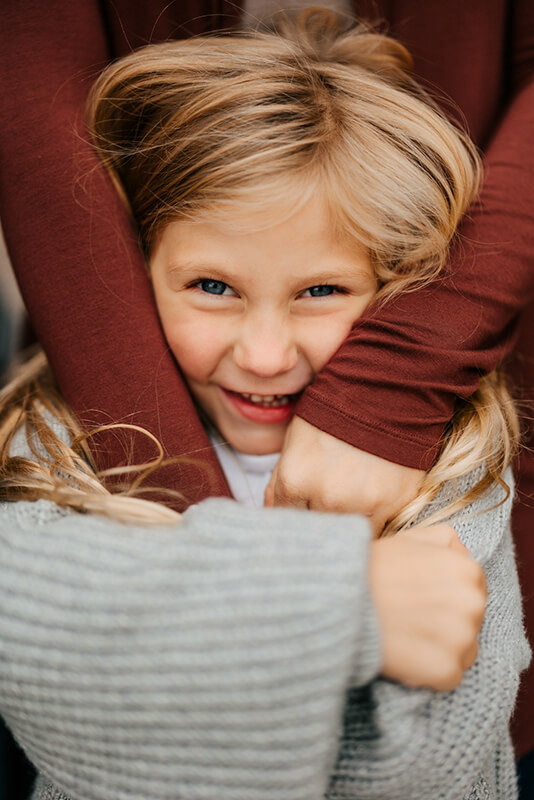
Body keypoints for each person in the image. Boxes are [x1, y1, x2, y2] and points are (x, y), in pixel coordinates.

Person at [0, 12, 529, 799]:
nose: (265, 354)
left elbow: (424, 765)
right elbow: (42, 711)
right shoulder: (54, 449)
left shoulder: (456, 456)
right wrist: (341, 610)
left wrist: (159, 652)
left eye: (321, 291)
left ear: (396, 285)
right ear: (133, 268)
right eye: (213, 287)